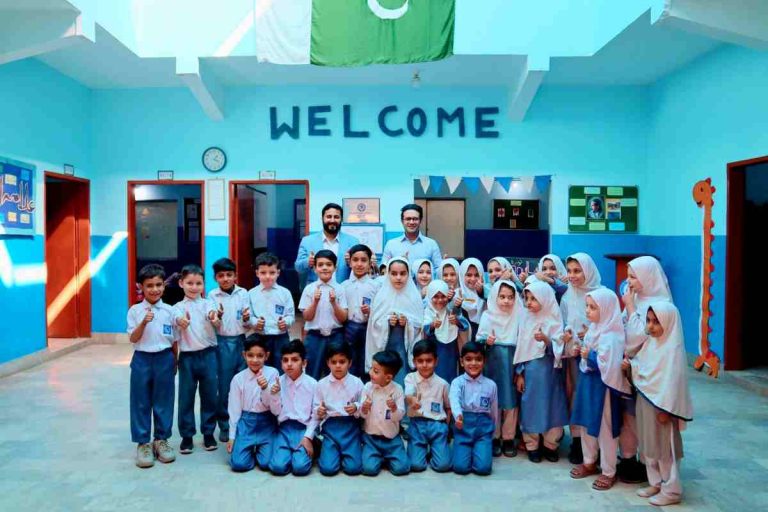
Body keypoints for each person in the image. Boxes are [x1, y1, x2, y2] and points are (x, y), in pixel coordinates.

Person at [631, 302, 693, 507]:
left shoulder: (673, 351)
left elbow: (675, 384)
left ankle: (671, 489)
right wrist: (629, 367)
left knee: (666, 448)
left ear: (669, 322)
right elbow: (641, 367)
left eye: (656, 322)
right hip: (646, 400)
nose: (650, 326)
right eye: (648, 321)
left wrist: (667, 409)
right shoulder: (650, 344)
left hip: (662, 408)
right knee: (649, 444)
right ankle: (655, 483)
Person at [569, 288, 632, 491]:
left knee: (606, 428)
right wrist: (582, 353)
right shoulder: (594, 330)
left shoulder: (613, 336)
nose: (588, 311)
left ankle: (608, 470)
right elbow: (588, 357)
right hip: (588, 384)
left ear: (606, 310)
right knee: (587, 424)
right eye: (587, 306)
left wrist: (589, 356)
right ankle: (589, 461)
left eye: (593, 307)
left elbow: (610, 365)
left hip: (604, 388)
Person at [620, 255, 673, 483]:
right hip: (631, 370)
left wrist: (630, 308)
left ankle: (655, 471)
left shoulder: (661, 305)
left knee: (651, 423)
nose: (629, 282)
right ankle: (629, 459)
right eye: (628, 276)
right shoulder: (636, 299)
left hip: (650, 374)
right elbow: (623, 330)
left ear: (648, 277)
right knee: (629, 417)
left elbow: (636, 337)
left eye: (633, 277)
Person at [127, 263, 178, 468]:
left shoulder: (170, 311)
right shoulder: (135, 311)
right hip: (142, 359)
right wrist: (143, 323)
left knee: (164, 400)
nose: (155, 289)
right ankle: (142, 443)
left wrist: (175, 361)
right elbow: (133, 338)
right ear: (141, 287)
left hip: (165, 358)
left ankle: (161, 440)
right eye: (149, 285)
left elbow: (174, 340)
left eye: (158, 285)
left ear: (164, 285)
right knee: (140, 401)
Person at [514, 281, 568, 463]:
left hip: (551, 374)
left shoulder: (554, 319)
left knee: (552, 407)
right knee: (531, 407)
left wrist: (546, 340)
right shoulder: (525, 319)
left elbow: (560, 349)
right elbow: (521, 348)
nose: (529, 302)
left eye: (534, 298)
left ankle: (550, 444)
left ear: (545, 298)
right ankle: (532, 445)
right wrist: (520, 373)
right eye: (526, 298)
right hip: (531, 374)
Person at [559, 252, 603, 464]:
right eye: (569, 271)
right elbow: (563, 323)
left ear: (588, 271)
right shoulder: (568, 296)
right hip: (574, 356)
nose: (572, 275)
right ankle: (577, 441)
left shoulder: (601, 295)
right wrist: (568, 339)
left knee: (595, 398)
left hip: (597, 357)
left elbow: (609, 325)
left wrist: (590, 336)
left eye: (577, 271)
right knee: (575, 396)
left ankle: (599, 444)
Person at [172, 264, 220, 454]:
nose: (194, 287)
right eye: (189, 283)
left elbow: (214, 317)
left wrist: (215, 318)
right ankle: (187, 436)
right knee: (186, 397)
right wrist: (181, 321)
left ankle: (208, 433)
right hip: (187, 358)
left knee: (210, 396)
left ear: (203, 285)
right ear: (181, 283)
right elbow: (177, 320)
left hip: (209, 355)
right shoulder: (177, 308)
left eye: (198, 283)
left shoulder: (209, 304)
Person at [477, 280, 521, 458]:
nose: (506, 301)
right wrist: (486, 341)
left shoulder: (519, 316)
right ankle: (494, 437)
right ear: (495, 297)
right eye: (502, 297)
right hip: (493, 365)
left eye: (510, 297)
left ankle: (509, 438)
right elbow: (479, 341)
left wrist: (520, 371)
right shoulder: (487, 316)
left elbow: (524, 344)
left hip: (512, 365)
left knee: (510, 401)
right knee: (493, 401)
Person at [209, 257, 251, 443]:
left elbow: (248, 322)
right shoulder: (212, 296)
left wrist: (247, 318)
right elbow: (214, 323)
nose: (225, 279)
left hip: (241, 341)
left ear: (235, 276)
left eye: (229, 275)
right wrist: (217, 317)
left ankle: (242, 423)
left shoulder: (243, 293)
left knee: (243, 383)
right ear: (215, 278)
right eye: (221, 275)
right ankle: (225, 425)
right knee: (225, 386)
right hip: (222, 342)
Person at [365, 257, 424, 386]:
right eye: (394, 273)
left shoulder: (414, 297)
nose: (398, 278)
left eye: (402, 274)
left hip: (404, 348)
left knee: (402, 379)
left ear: (408, 274)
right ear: (388, 274)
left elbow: (420, 325)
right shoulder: (381, 296)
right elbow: (373, 323)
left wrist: (408, 322)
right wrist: (387, 321)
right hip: (385, 346)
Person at [227, 335, 279, 472]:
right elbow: (234, 410)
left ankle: (261, 449)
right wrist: (232, 436)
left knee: (267, 463)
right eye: (250, 355)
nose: (255, 360)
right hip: (246, 423)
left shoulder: (272, 373)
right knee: (238, 464)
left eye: (260, 356)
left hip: (267, 421)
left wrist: (265, 388)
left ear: (266, 356)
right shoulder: (238, 379)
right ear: (244, 355)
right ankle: (247, 450)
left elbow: (274, 408)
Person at [267, 340, 318, 477]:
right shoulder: (278, 382)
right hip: (284, 429)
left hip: (303, 429)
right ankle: (288, 452)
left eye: (295, 360)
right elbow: (275, 412)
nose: (289, 364)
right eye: (285, 360)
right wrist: (274, 395)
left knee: (300, 467)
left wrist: (308, 437)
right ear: (281, 363)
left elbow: (316, 415)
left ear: (304, 363)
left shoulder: (313, 384)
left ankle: (313, 445)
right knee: (278, 467)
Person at [314, 341, 364, 476]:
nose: (338, 366)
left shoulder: (357, 383)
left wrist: (356, 407)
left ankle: (350, 450)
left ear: (350, 363)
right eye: (334, 362)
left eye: (342, 362)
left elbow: (364, 406)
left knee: (353, 469)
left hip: (350, 427)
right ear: (328, 363)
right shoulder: (321, 384)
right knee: (328, 469)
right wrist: (319, 411)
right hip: (330, 427)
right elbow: (316, 407)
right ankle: (326, 448)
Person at [449, 341, 498, 476]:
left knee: (483, 469)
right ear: (462, 361)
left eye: (478, 359)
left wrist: (493, 431)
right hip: (463, 428)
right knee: (460, 468)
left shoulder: (491, 385)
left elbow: (494, 411)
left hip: (483, 431)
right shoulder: (457, 383)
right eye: (469, 359)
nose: (474, 363)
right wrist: (458, 416)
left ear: (484, 361)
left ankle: (482, 448)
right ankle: (465, 449)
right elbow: (454, 400)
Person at [299, 249, 348, 380]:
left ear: (335, 267)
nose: (325, 268)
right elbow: (306, 317)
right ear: (315, 268)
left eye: (329, 264)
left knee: (335, 372)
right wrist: (315, 302)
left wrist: (334, 303)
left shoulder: (340, 289)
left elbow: (343, 318)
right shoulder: (309, 289)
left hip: (335, 336)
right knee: (312, 372)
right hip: (315, 336)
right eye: (320, 265)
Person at [404, 339, 452, 473]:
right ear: (414, 362)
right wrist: (412, 401)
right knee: (416, 465)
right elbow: (409, 394)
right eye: (420, 361)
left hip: (437, 425)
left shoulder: (443, 384)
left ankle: (437, 449)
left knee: (443, 466)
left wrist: (446, 428)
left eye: (429, 361)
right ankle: (421, 449)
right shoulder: (410, 378)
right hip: (417, 424)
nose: (424, 365)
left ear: (436, 361)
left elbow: (448, 408)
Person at [360, 350, 410, 476]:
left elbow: (400, 416)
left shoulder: (397, 389)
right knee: (369, 469)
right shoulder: (367, 387)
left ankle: (386, 456)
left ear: (388, 377)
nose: (371, 373)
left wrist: (394, 409)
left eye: (376, 371)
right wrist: (364, 408)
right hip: (371, 438)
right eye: (371, 369)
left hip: (391, 439)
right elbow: (361, 414)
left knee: (402, 468)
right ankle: (377, 456)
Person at [245, 252, 295, 370]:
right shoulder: (251, 294)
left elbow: (291, 316)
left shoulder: (285, 293)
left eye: (272, 272)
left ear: (278, 272)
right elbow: (248, 316)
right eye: (263, 272)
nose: (268, 276)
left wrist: (286, 322)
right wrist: (255, 322)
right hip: (260, 337)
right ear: (257, 273)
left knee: (281, 368)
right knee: (261, 369)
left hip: (281, 337)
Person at [295, 202, 360, 284]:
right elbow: (298, 268)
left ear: (341, 219)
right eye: (329, 217)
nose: (332, 220)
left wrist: (350, 262)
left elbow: (360, 269)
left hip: (343, 289)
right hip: (316, 290)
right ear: (322, 218)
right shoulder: (307, 241)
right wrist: (308, 262)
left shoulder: (353, 242)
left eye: (336, 217)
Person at [342, 244, 380, 377]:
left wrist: (370, 311)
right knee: (350, 360)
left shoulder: (376, 286)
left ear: (370, 263)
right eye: (355, 260)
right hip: (348, 328)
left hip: (368, 328)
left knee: (366, 360)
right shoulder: (344, 286)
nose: (359, 264)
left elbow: (380, 310)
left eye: (363, 260)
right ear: (349, 262)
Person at [422, 280, 469, 382]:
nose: (440, 300)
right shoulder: (428, 312)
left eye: (443, 296)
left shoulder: (450, 309)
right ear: (430, 297)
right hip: (434, 351)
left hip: (451, 351)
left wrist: (456, 321)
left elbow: (464, 326)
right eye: (435, 296)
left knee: (451, 376)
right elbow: (424, 330)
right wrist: (432, 325)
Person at [382, 204, 442, 269]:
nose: (411, 222)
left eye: (415, 219)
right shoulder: (391, 245)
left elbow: (438, 270)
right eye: (408, 219)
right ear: (402, 221)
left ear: (420, 221)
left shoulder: (431, 244)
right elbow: (384, 270)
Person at [459, 258, 486, 342]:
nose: (473, 279)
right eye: (469, 275)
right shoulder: (456, 295)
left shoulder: (487, 294)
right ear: (462, 275)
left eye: (477, 275)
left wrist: (482, 292)